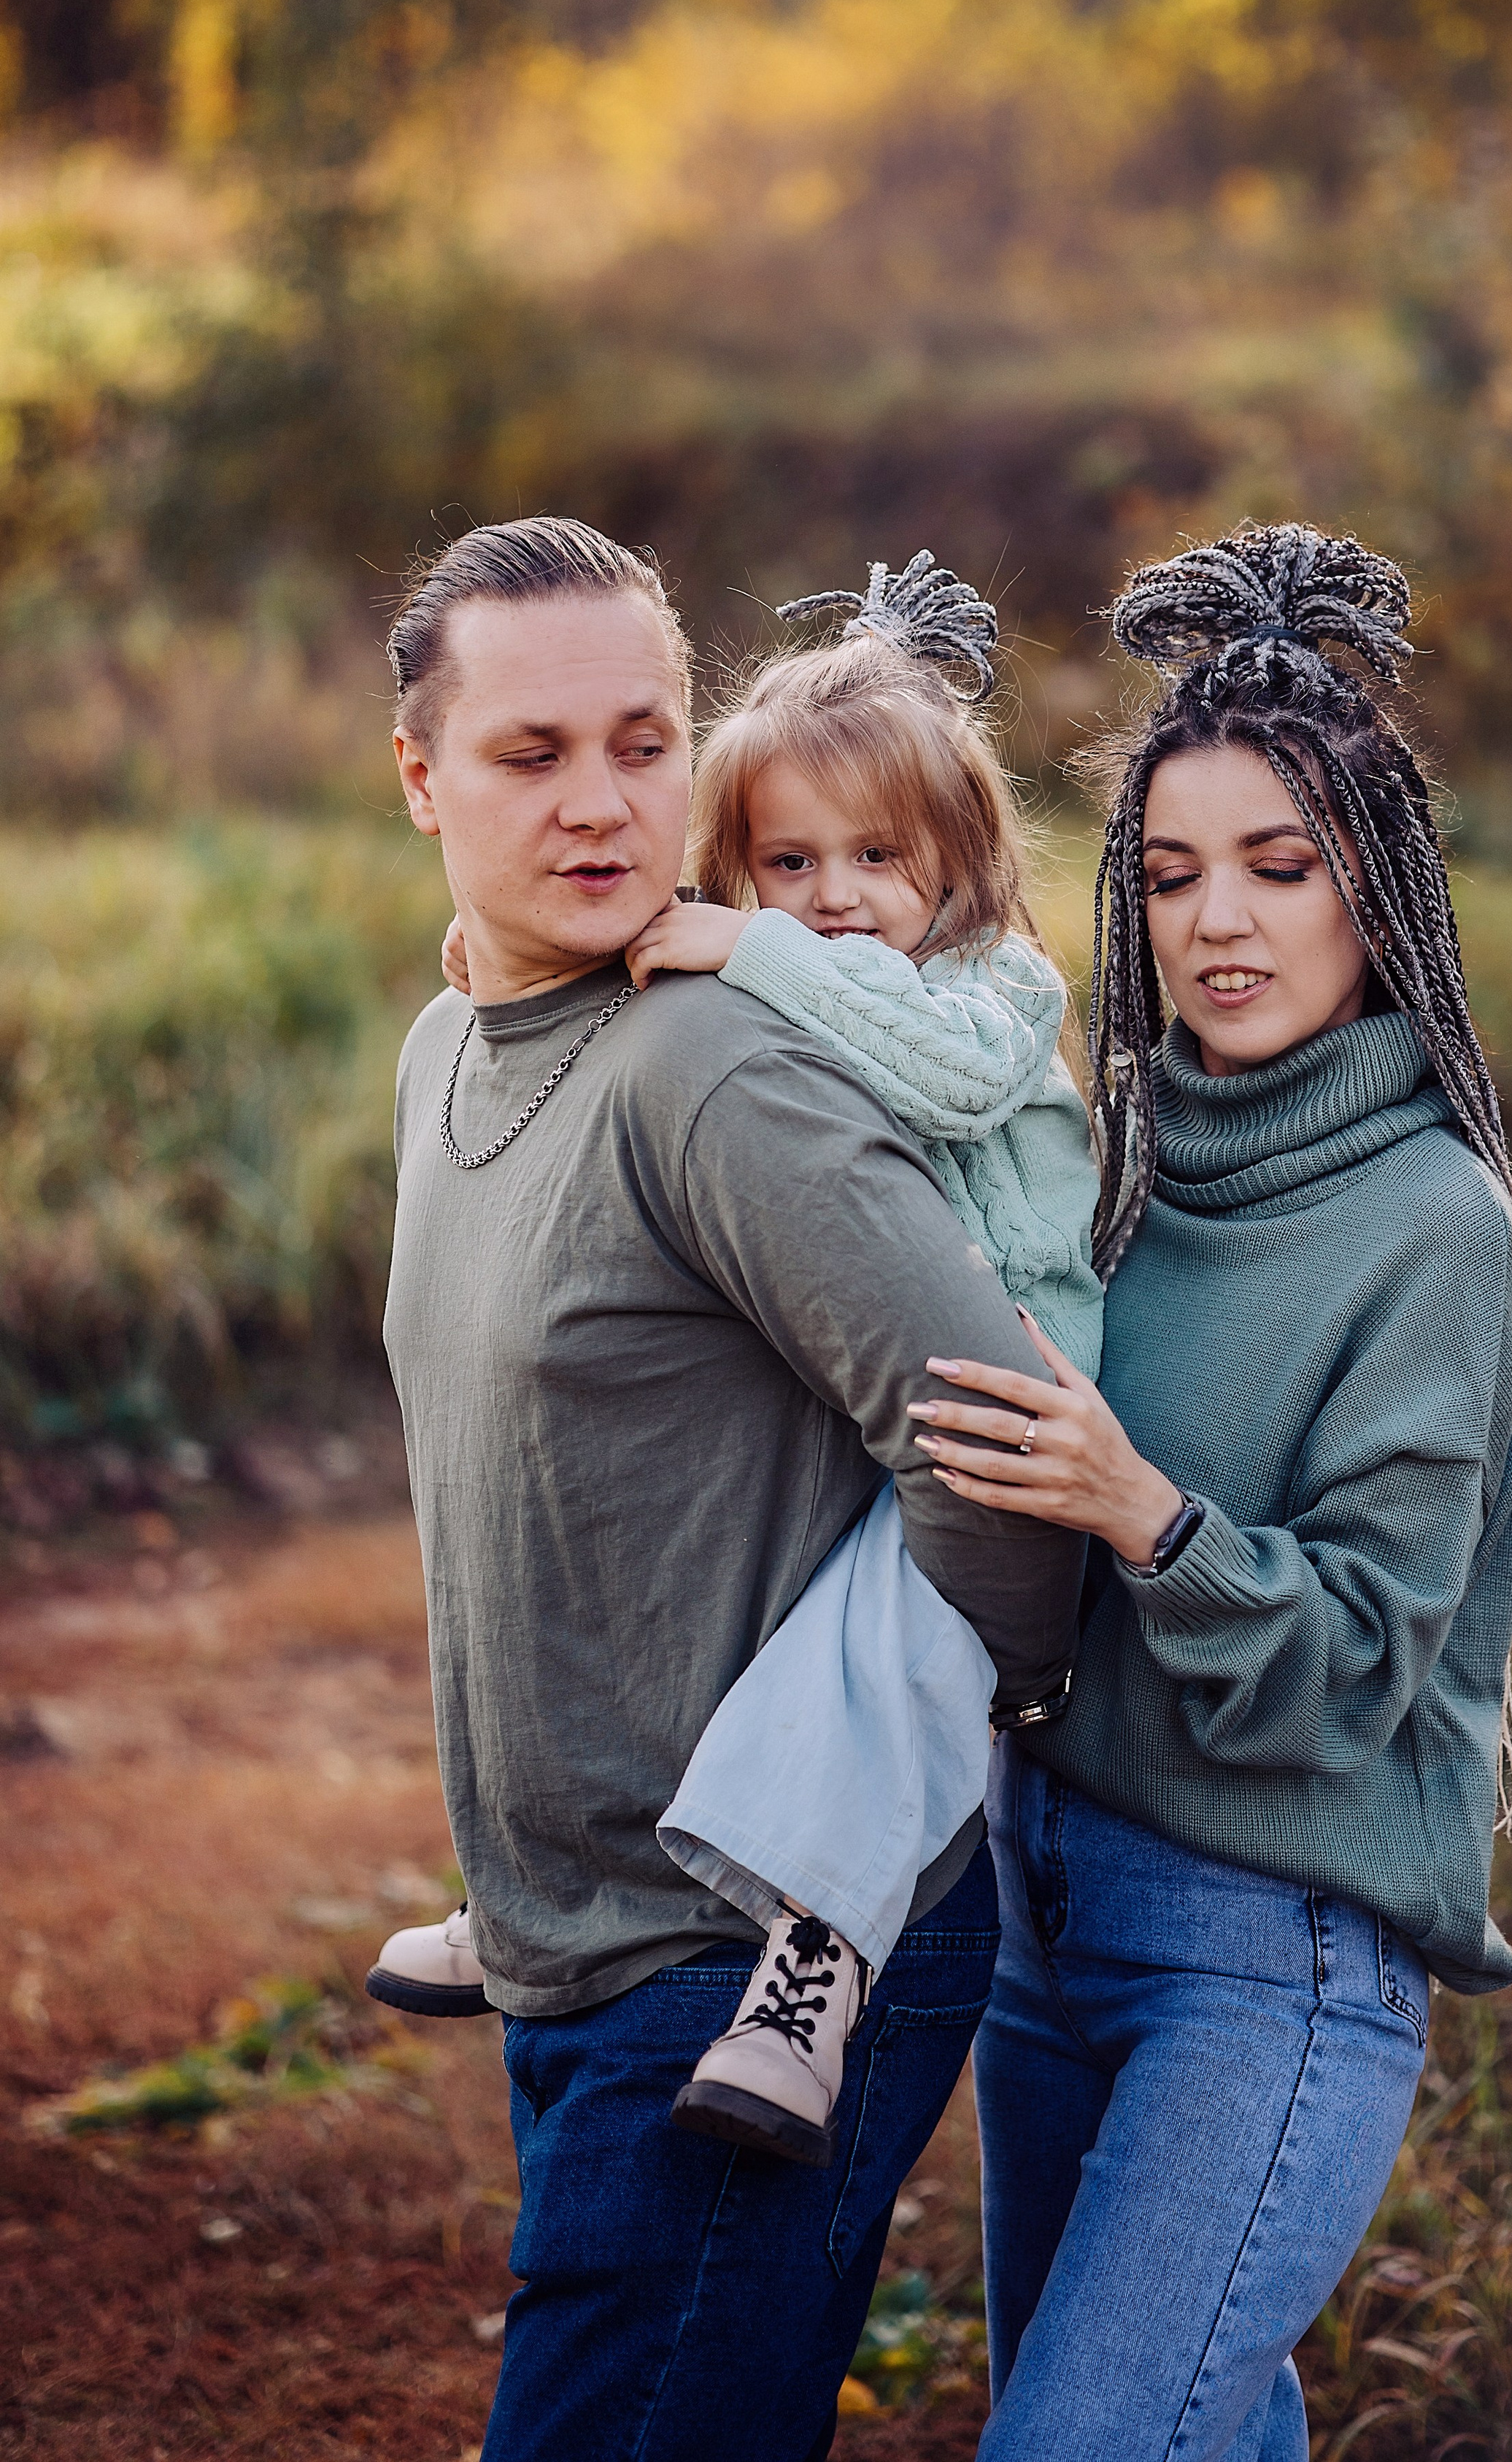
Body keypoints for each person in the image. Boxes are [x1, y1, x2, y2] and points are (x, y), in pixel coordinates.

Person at [376, 515, 1084, 2462]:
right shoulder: (450, 1051)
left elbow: (1000, 1447)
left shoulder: (714, 1059)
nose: (606, 805)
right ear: (422, 778)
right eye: (534, 755)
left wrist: (972, 1715)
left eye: (642, 739)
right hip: (568, 1936)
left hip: (743, 1949)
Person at [905, 522, 1512, 2462]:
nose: (1223, 924)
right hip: (1046, 1912)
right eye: (1173, 875)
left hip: (1267, 1949)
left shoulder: (1435, 1229)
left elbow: (1366, 1660)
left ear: (1381, 892)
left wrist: (1144, 1513)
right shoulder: (1109, 1167)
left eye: (1282, 869)